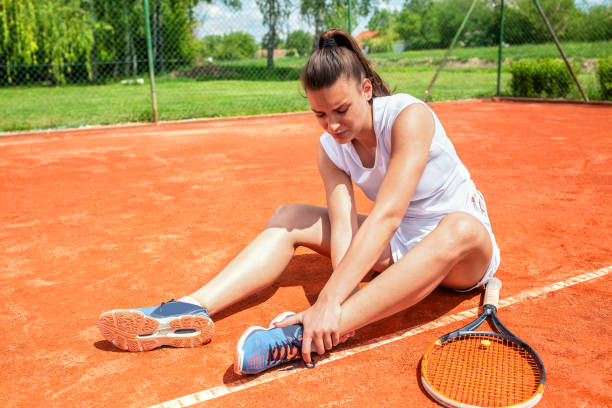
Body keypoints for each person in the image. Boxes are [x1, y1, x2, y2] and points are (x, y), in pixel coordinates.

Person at [97, 29, 500, 375]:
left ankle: (305, 335)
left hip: (462, 256)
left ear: (365, 89)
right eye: (320, 115)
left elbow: (388, 215)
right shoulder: (331, 149)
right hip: (399, 247)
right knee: (290, 216)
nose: (333, 125)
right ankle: (190, 308)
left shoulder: (409, 117)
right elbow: (343, 225)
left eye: (341, 110)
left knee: (459, 227)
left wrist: (329, 304)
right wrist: (340, 290)